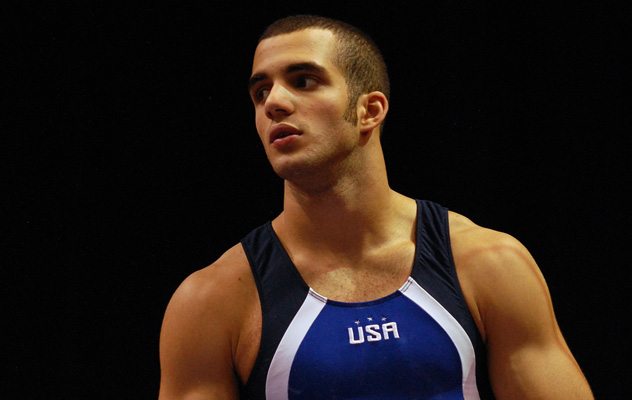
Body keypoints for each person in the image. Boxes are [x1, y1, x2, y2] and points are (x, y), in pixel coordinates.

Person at [158, 15, 594, 400]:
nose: (273, 102)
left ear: (370, 110)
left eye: (303, 80)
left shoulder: (489, 264)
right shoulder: (211, 302)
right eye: (260, 91)